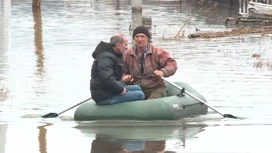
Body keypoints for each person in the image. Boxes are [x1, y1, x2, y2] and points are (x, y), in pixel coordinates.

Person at [122, 26, 177, 99]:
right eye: (137, 37)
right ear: (134, 38)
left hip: (155, 88)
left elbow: (172, 65)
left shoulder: (157, 52)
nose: (140, 39)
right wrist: (124, 77)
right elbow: (121, 71)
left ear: (147, 38)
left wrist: (162, 72)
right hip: (135, 88)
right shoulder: (127, 54)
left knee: (155, 99)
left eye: (142, 36)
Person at [90, 33, 145, 105]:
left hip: (108, 90)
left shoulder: (113, 55)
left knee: (137, 88)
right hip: (104, 96)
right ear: (118, 45)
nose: (127, 47)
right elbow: (106, 78)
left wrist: (122, 84)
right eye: (125, 45)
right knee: (140, 94)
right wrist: (120, 90)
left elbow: (115, 77)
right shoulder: (106, 58)